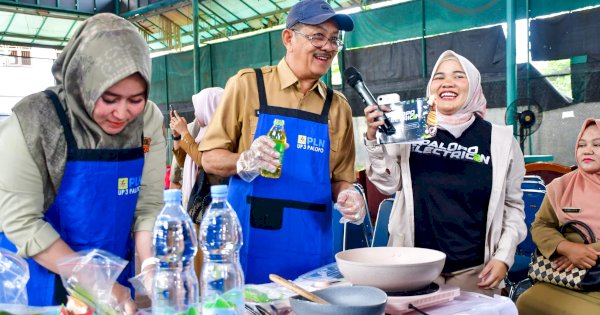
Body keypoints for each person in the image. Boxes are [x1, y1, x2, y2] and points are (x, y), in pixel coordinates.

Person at [0, 13, 165, 312]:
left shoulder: (148, 120)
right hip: (40, 276)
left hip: (115, 276)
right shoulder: (35, 121)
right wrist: (96, 281)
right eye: (109, 98)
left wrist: (151, 266)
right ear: (83, 81)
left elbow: (147, 206)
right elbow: (22, 222)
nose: (122, 113)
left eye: (136, 99)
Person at [198, 0, 366, 284]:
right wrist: (244, 160)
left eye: (334, 39)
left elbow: (340, 179)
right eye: (318, 36)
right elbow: (209, 157)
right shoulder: (248, 86)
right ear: (289, 38)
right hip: (250, 241)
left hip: (310, 246)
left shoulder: (338, 107)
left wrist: (351, 196)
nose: (328, 46)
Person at [364, 50, 527, 296]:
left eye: (458, 76)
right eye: (439, 77)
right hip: (415, 265)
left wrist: (503, 257)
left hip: (474, 271)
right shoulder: (412, 128)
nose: (447, 82)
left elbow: (513, 206)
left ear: (472, 85)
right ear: (431, 87)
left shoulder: (500, 140)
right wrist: (373, 139)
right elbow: (387, 184)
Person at [517, 118, 600, 314]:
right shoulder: (561, 186)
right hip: (564, 276)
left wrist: (585, 252)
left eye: (597, 144)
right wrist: (565, 248)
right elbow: (541, 225)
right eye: (581, 145)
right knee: (525, 301)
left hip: (595, 277)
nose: (587, 150)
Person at [169, 87, 225, 208]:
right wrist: (177, 137)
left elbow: (204, 162)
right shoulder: (201, 133)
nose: (195, 114)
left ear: (210, 108)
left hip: (208, 205)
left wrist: (185, 133)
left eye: (199, 109)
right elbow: (182, 162)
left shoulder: (221, 136)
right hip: (194, 202)